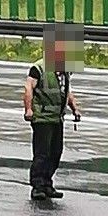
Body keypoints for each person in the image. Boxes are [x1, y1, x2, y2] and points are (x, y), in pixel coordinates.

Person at [23, 34, 81, 200]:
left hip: (57, 118)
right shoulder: (38, 68)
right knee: (42, 154)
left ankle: (47, 183)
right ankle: (37, 186)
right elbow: (28, 88)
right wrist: (28, 110)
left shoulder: (64, 71)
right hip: (42, 118)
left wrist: (74, 109)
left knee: (56, 152)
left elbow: (66, 92)